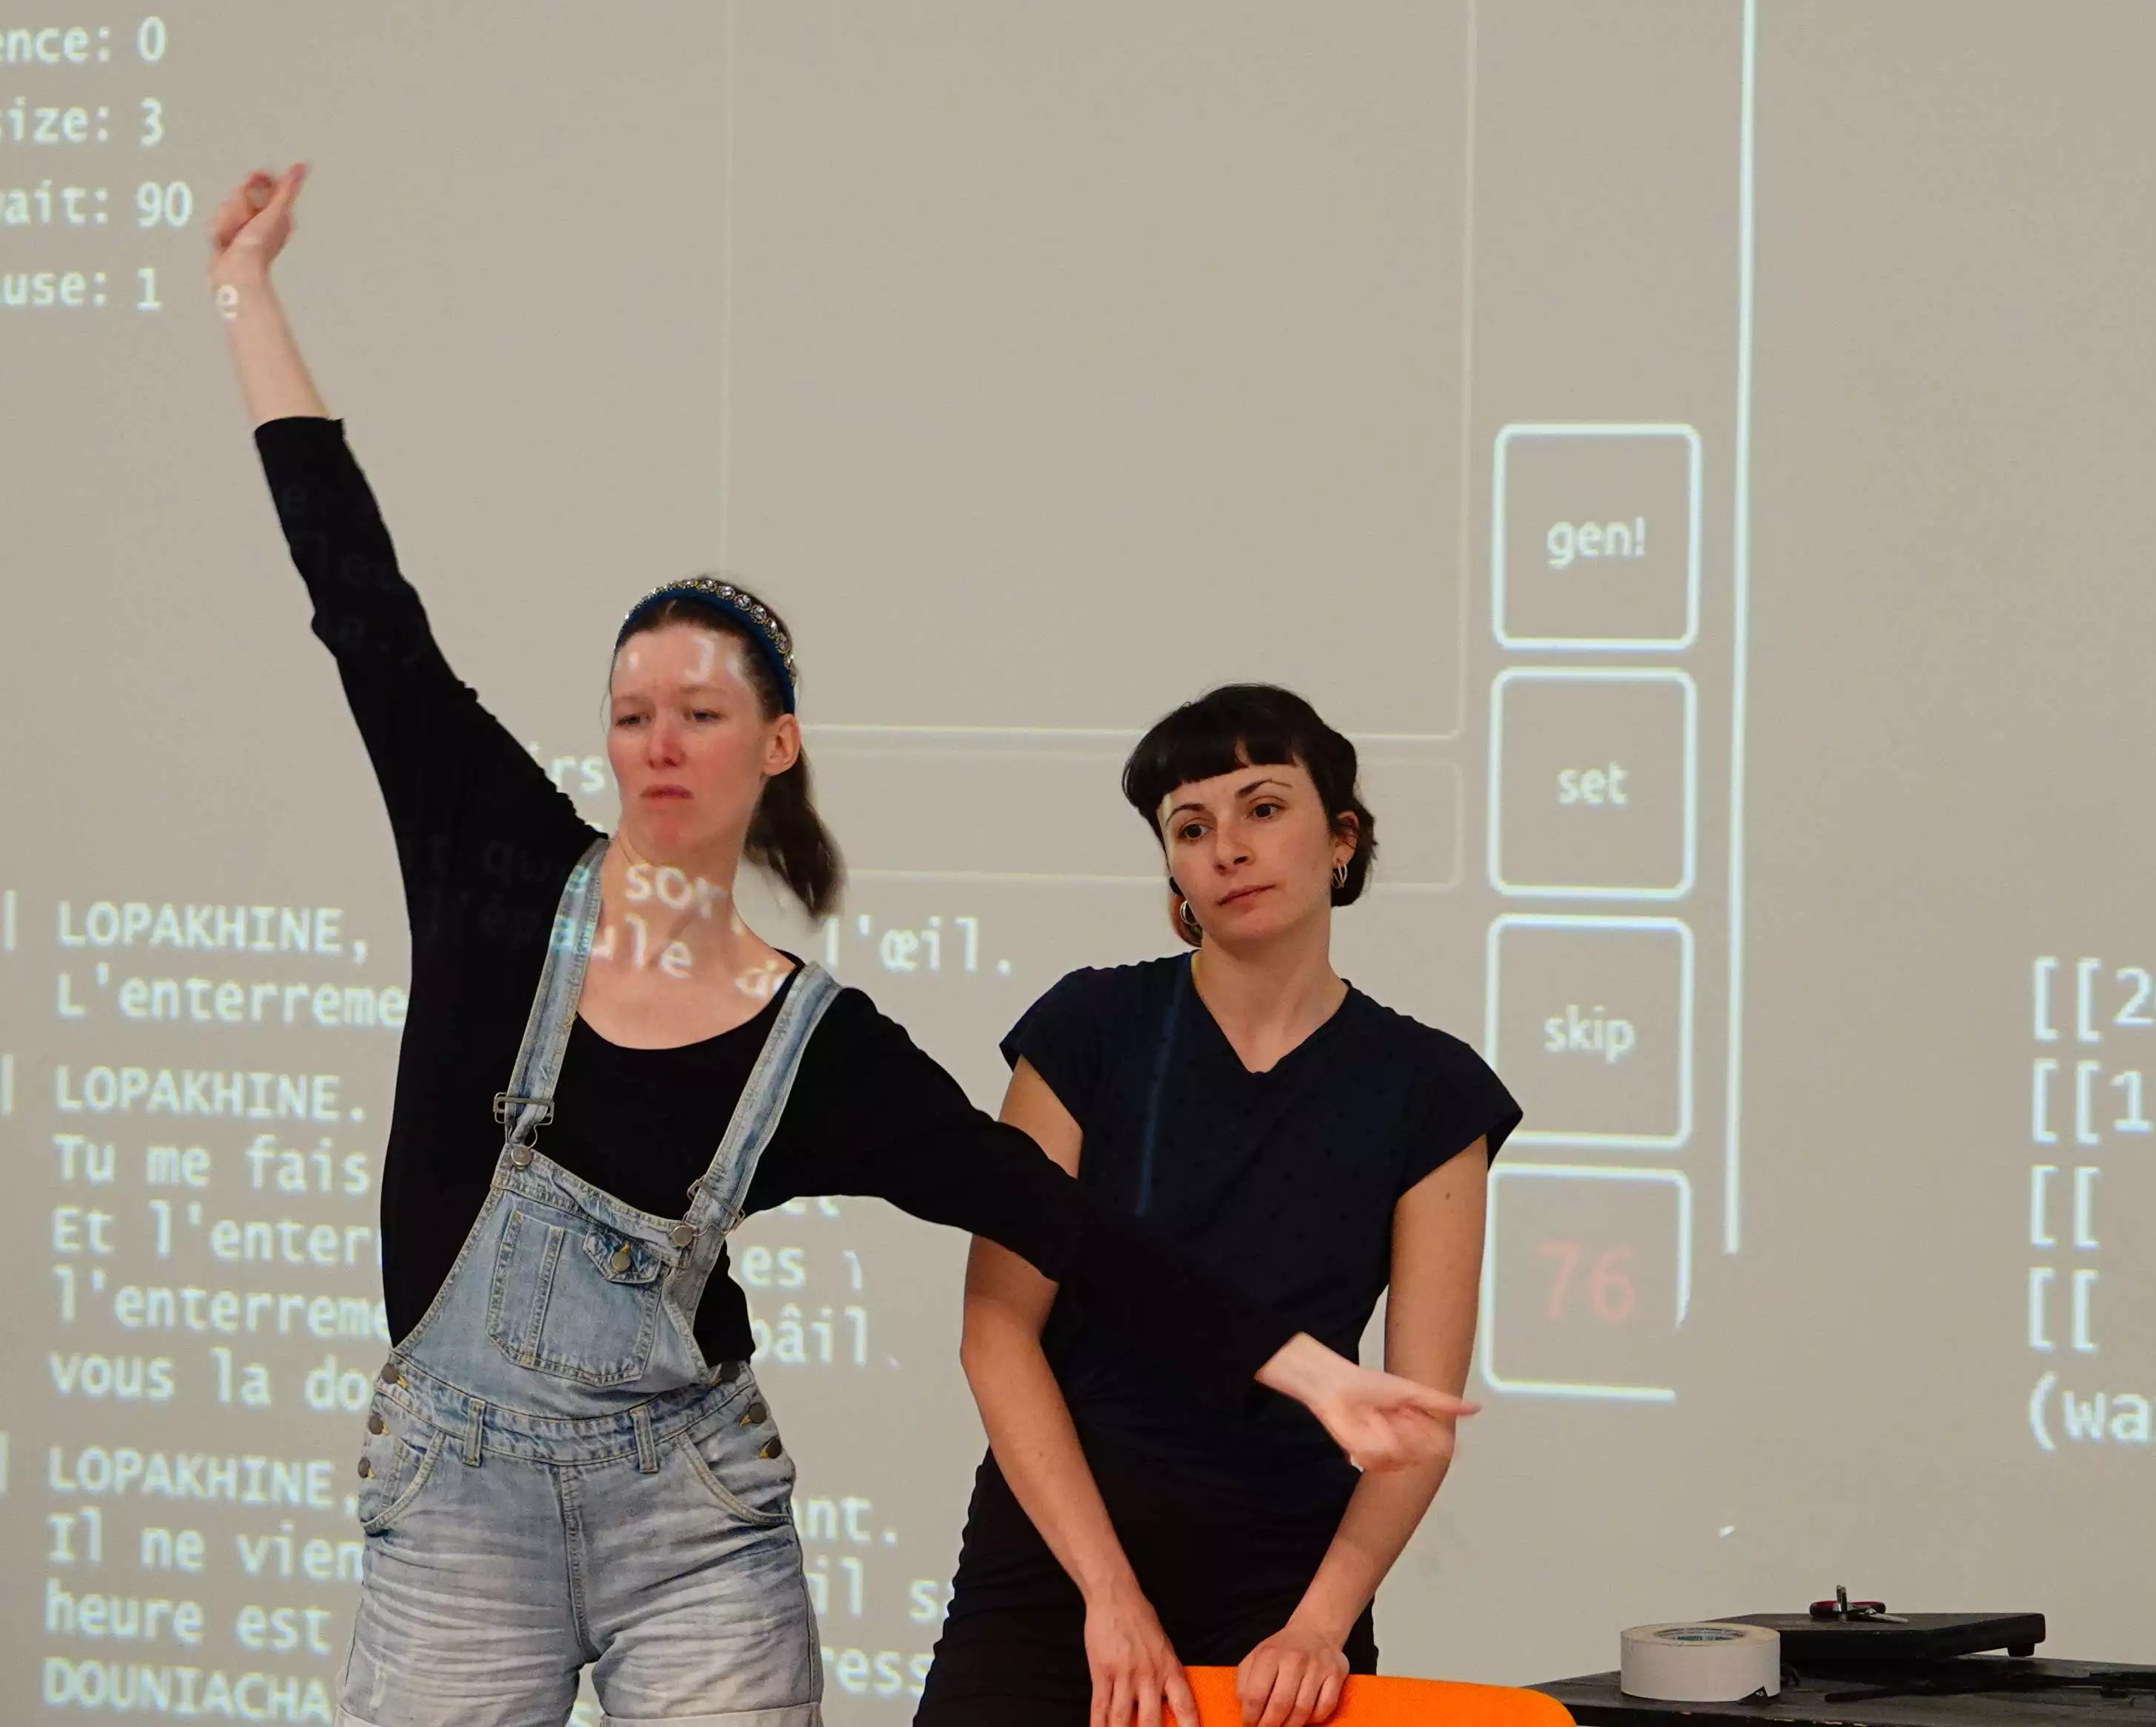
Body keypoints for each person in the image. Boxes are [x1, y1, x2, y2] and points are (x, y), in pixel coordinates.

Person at [203, 168, 1476, 1727]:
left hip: (690, 1523)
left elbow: (1055, 1222)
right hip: (455, 1519)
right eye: (631, 712)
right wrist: (246, 291)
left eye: (702, 711)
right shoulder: (495, 867)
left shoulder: (821, 1049)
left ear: (776, 744)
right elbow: (360, 598)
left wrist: (1312, 1371)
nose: (660, 741)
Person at [914, 686, 1520, 1727]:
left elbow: (1416, 1418)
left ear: (1342, 840)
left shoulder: (1432, 1089)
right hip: (1058, 1562)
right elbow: (995, 1333)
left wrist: (1320, 1626)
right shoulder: (1090, 1029)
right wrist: (1109, 1595)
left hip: (1286, 1587)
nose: (1228, 849)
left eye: (1264, 809)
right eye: (1191, 828)